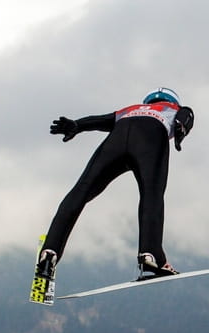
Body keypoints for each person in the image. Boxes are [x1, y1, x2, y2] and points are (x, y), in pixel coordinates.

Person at [35, 87, 194, 282]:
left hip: (117, 138)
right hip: (150, 137)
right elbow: (186, 116)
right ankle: (150, 255)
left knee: (81, 190)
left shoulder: (130, 109)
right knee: (151, 195)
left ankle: (49, 252)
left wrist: (76, 125)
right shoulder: (172, 108)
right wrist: (180, 130)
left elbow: (100, 120)